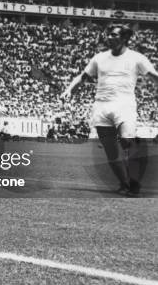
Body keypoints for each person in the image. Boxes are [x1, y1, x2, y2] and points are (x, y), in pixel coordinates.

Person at [62, 25, 158, 196]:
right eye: (108, 34)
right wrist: (69, 89)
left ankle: (134, 182)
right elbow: (83, 77)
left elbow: (153, 75)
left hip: (124, 105)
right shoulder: (99, 58)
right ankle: (124, 184)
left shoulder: (136, 58)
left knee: (127, 142)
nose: (109, 37)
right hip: (101, 106)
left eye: (114, 35)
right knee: (111, 151)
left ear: (124, 38)